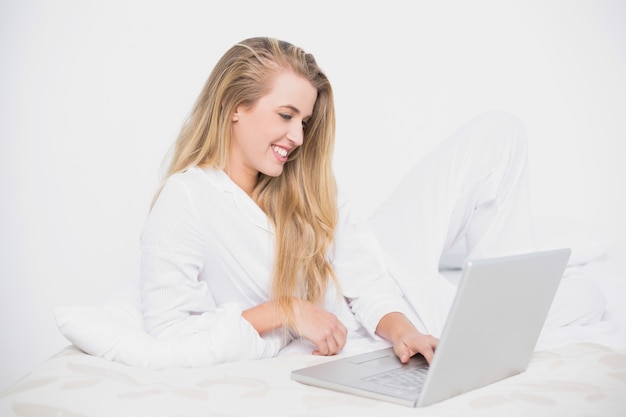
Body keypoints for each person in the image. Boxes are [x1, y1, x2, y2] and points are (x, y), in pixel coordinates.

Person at [139, 36, 605, 368]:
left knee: (499, 133)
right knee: (587, 297)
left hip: (391, 264)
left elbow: (364, 280)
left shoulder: (304, 183)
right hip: (413, 298)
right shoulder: (188, 199)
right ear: (233, 106)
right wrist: (286, 309)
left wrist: (403, 332)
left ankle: (501, 272)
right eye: (286, 116)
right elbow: (170, 329)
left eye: (305, 121)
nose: (298, 137)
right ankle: (510, 275)